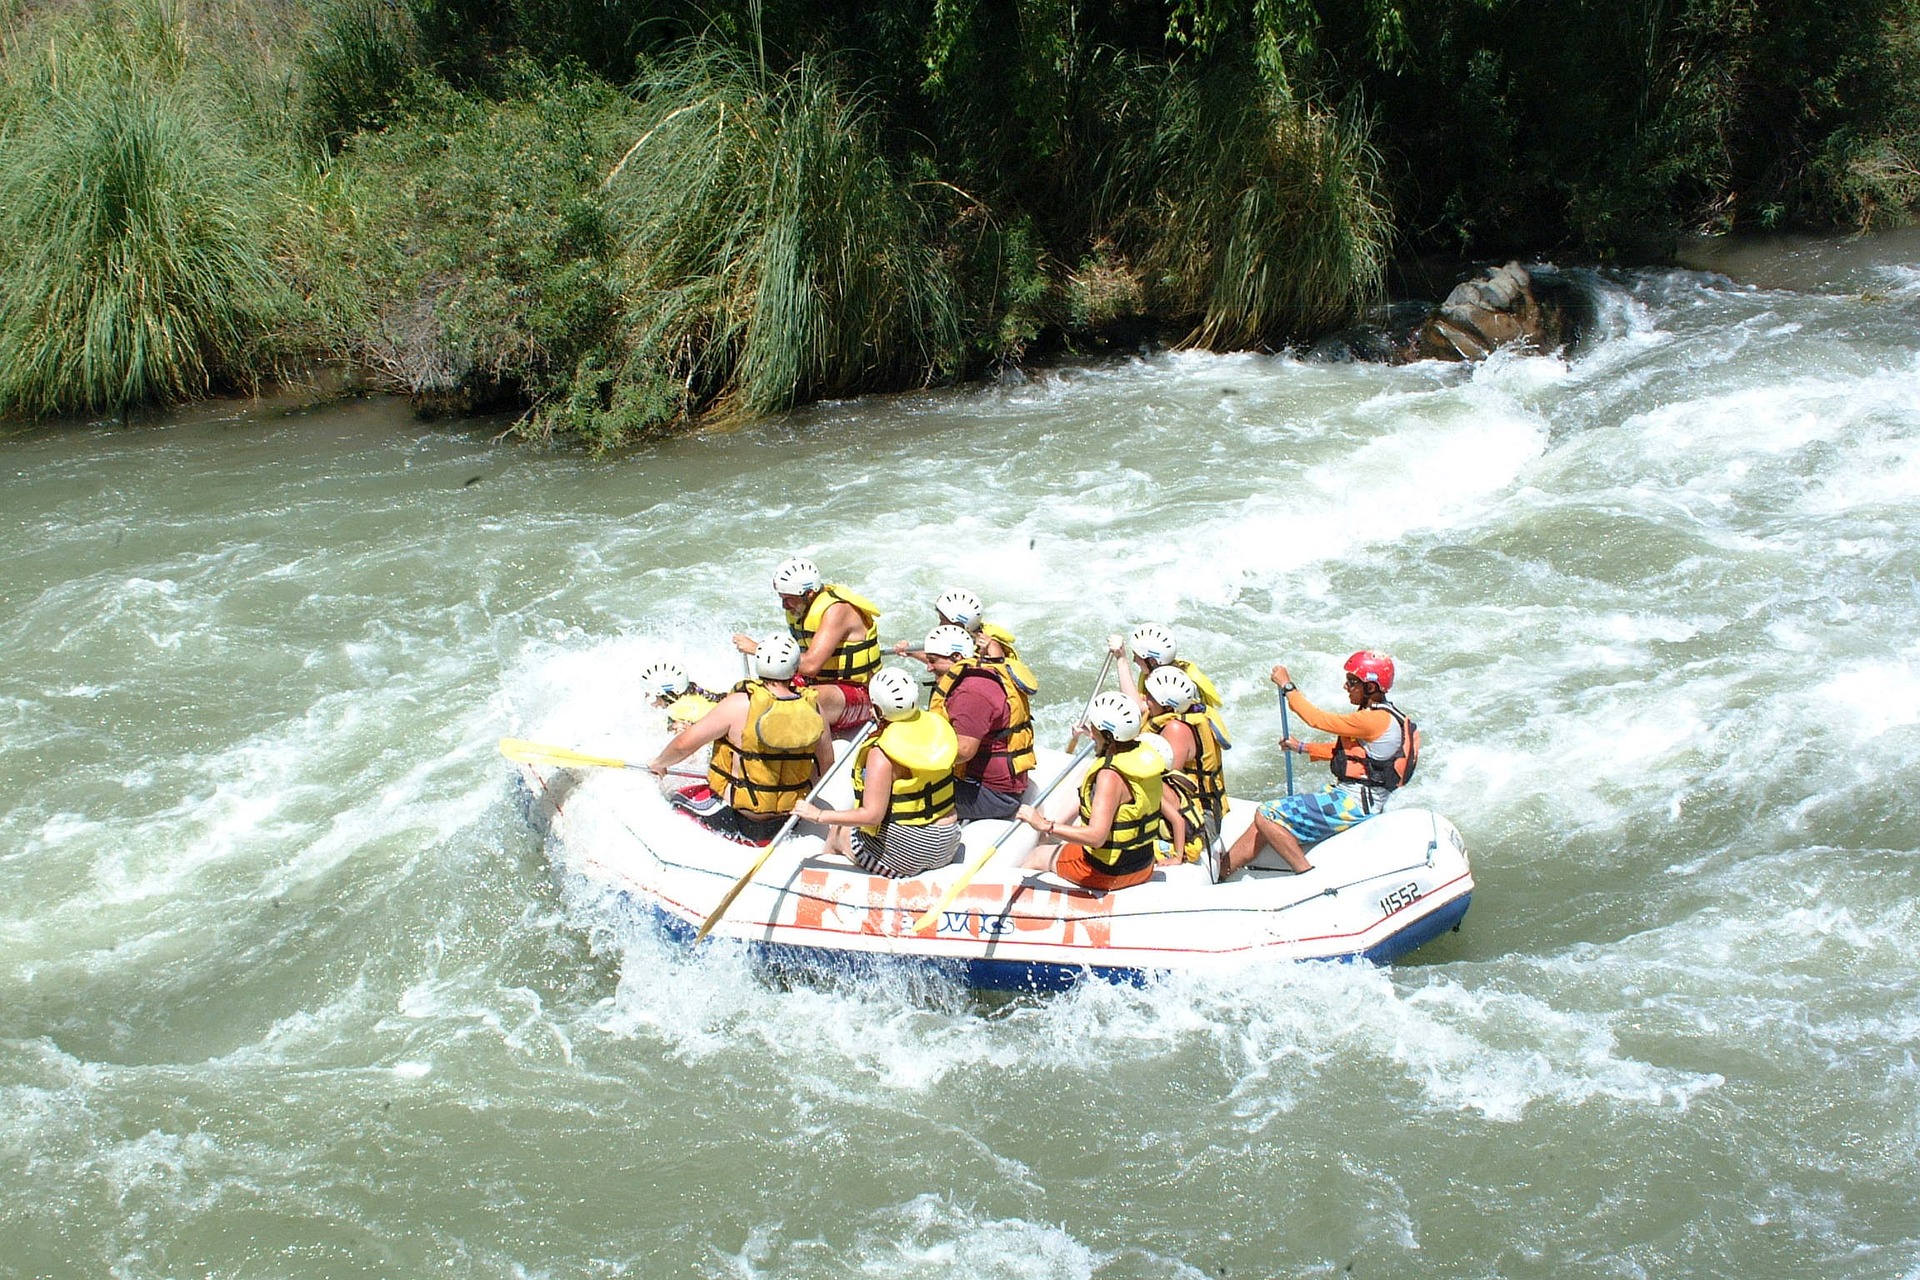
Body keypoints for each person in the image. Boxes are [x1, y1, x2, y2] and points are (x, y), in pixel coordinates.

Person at [1220, 650, 1420, 877]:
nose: (1346, 686)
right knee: (1260, 827)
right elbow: (1353, 756)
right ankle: (1220, 874)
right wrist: (1302, 747)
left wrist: (1288, 687)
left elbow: (1317, 719)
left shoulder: (1373, 719)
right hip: (1358, 796)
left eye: (1352, 682)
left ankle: (1306, 875)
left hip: (1353, 803)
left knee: (1267, 814)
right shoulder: (1380, 715)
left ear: (1371, 688)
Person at [647, 633, 833, 845]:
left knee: (672, 795)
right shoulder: (814, 707)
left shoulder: (740, 704)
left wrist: (658, 763)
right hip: (788, 819)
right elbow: (826, 763)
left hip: (739, 819)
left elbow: (683, 745)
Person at [792, 667, 963, 878]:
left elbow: (872, 816)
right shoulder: (937, 727)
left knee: (838, 832)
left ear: (878, 710)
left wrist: (818, 815)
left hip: (911, 852)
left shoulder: (882, 755)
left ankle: (824, 887)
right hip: (948, 839)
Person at [1016, 691, 1167, 891]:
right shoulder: (1143, 757)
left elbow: (1096, 837)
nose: (1092, 733)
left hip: (1108, 873)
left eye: (1094, 729)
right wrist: (1095, 737)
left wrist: (1044, 825)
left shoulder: (1109, 777)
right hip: (1144, 865)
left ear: (1107, 735)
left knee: (1038, 855)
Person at [732, 557, 882, 734]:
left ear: (809, 594)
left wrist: (758, 649)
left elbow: (811, 665)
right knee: (755, 694)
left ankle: (821, 761)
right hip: (820, 685)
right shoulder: (800, 608)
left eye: (788, 599)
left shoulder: (836, 610)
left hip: (860, 694)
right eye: (782, 598)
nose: (784, 605)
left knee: (804, 702)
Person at [921, 624, 1036, 821]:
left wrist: (914, 759)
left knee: (904, 793)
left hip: (993, 795)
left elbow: (963, 751)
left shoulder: (971, 692)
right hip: (990, 785)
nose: (928, 667)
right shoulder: (982, 673)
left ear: (957, 658)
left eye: (932, 661)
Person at [1140, 665, 1230, 867]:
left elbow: (1167, 787)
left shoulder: (1176, 730)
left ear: (1168, 706)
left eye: (1150, 697)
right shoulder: (1183, 714)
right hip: (1190, 812)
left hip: (1200, 822)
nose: (1145, 700)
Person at [895, 587, 1039, 694]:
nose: (939, 625)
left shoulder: (991, 646)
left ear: (959, 625)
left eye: (942, 621)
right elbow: (943, 662)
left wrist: (984, 656)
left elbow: (996, 682)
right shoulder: (960, 639)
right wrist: (910, 652)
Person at [1114, 622, 1223, 710]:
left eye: (1136, 656)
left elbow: (1137, 709)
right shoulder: (1171, 671)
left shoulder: (1171, 686)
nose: (1134, 660)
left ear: (1152, 661)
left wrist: (1121, 659)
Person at [638, 660, 721, 729]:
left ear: (665, 694)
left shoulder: (679, 714)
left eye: (649, 694)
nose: (647, 698)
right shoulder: (699, 692)